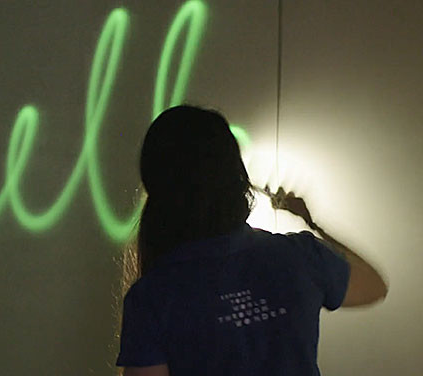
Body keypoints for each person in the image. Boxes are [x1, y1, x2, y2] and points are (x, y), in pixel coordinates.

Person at [115, 105, 389, 376]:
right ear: (237, 176)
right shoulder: (300, 257)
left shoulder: (152, 296)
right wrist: (312, 223)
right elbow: (374, 285)